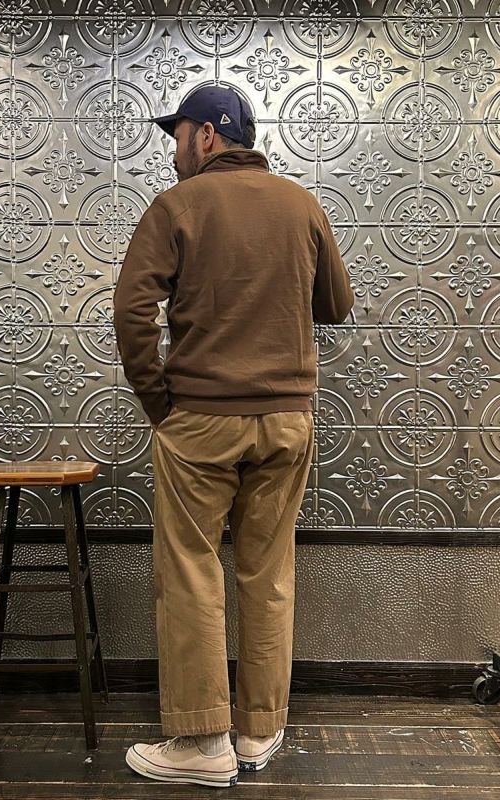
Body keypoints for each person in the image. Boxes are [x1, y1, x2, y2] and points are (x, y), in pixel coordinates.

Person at [114, 83, 353, 789]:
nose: (174, 150)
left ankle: (201, 742)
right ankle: (258, 730)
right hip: (287, 418)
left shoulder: (176, 206)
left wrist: (159, 403)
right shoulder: (302, 204)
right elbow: (336, 305)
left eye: (178, 135)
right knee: (268, 571)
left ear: (208, 135)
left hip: (201, 420)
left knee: (192, 570)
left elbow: (131, 311)